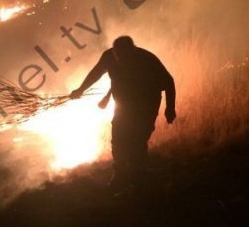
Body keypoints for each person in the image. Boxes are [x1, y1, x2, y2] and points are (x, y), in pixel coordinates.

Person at [70, 36, 176, 189]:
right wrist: (81, 89)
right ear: (114, 53)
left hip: (146, 104)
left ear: (133, 51)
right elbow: (96, 73)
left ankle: (138, 177)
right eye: (119, 56)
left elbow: (168, 82)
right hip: (123, 105)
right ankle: (120, 173)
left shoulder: (147, 59)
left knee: (137, 141)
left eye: (126, 56)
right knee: (118, 139)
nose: (122, 60)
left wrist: (170, 108)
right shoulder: (109, 57)